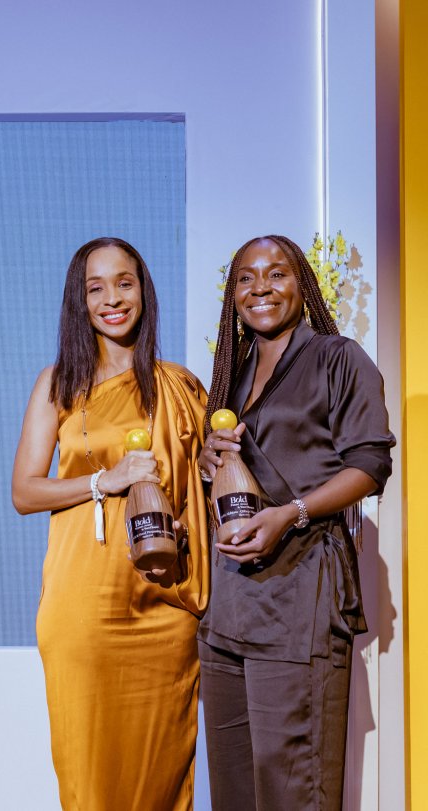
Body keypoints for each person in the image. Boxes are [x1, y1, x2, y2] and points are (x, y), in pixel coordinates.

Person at [12, 237, 209, 810]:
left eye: (124, 283)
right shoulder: (58, 384)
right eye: (95, 288)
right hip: (83, 611)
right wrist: (106, 480)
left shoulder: (180, 385)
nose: (112, 300)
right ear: (80, 301)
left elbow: (201, 490)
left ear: (143, 290)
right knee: (91, 781)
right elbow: (25, 491)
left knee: (161, 782)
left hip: (164, 606)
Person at [198, 234, 394, 810]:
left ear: (302, 285)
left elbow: (370, 464)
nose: (260, 288)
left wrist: (292, 513)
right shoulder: (232, 375)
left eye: (276, 273)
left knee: (293, 788)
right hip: (229, 605)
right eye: (245, 278)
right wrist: (208, 461)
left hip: (298, 596)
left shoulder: (338, 357)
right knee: (234, 788)